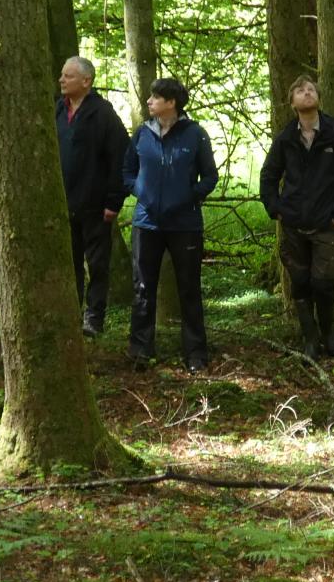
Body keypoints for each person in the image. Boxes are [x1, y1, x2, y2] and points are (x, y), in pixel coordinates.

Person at [259, 75, 334, 359]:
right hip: (293, 224)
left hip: (326, 224)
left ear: (318, 98)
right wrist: (276, 209)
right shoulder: (286, 138)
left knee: (325, 282)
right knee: (300, 281)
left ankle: (329, 334)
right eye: (300, 91)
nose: (307, 93)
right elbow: (269, 176)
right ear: (292, 102)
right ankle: (310, 338)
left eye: (311, 90)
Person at [123, 76, 219, 371]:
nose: (149, 101)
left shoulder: (195, 134)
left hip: (185, 224)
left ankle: (195, 354)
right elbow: (127, 171)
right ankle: (140, 349)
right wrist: (141, 193)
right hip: (146, 223)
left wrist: (189, 196)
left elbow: (210, 176)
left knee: (188, 287)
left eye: (155, 97)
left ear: (171, 103)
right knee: (142, 286)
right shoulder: (142, 134)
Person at [56, 57, 130, 338]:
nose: (62, 80)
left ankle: (94, 318)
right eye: (62, 76)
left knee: (97, 265)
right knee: (69, 263)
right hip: (64, 205)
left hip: (97, 206)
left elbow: (120, 158)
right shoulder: (58, 111)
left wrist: (114, 201)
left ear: (86, 81)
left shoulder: (103, 114)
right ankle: (70, 315)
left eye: (68, 76)